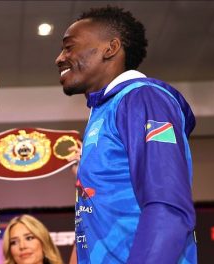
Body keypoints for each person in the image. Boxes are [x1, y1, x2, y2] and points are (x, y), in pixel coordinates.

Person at [55, 6, 197, 264]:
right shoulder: (105, 109)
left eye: (69, 47)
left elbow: (167, 206)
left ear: (110, 48)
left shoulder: (143, 98)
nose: (59, 58)